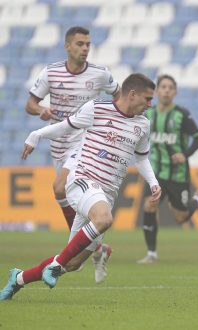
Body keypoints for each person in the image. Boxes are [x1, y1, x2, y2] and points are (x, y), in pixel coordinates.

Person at [0, 73, 161, 300]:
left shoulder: (142, 124)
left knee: (74, 263)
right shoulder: (96, 108)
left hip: (106, 193)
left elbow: (142, 158)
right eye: (147, 98)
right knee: (103, 220)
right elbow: (65, 127)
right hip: (82, 180)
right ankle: (56, 266)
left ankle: (18, 278)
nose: (150, 104)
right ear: (132, 94)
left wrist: (153, 183)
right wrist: (36, 134)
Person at [25, 26, 120, 284]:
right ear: (67, 46)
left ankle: (84, 246)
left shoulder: (100, 74)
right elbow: (30, 103)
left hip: (85, 143)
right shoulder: (51, 72)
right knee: (64, 194)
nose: (85, 48)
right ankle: (97, 247)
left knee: (58, 188)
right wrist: (40, 110)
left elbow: (120, 97)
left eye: (88, 44)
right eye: (80, 44)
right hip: (59, 143)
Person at [137, 74, 198, 264]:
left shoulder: (182, 114)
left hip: (178, 175)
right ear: (156, 91)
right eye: (163, 87)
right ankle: (151, 254)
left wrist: (185, 154)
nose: (166, 91)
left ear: (175, 92)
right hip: (156, 172)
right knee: (149, 205)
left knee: (180, 218)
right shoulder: (148, 114)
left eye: (170, 88)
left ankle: (197, 200)